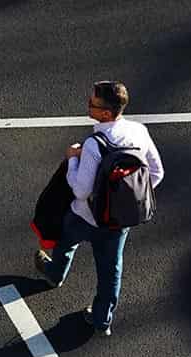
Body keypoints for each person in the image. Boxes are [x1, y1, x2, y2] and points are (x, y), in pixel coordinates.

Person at [34, 81, 164, 336]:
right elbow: (157, 172)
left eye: (91, 104)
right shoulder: (139, 131)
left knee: (65, 240)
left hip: (85, 216)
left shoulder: (95, 144)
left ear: (106, 113)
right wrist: (126, 201)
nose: (87, 106)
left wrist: (72, 159)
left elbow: (81, 190)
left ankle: (54, 274)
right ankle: (102, 319)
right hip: (117, 223)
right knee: (110, 270)